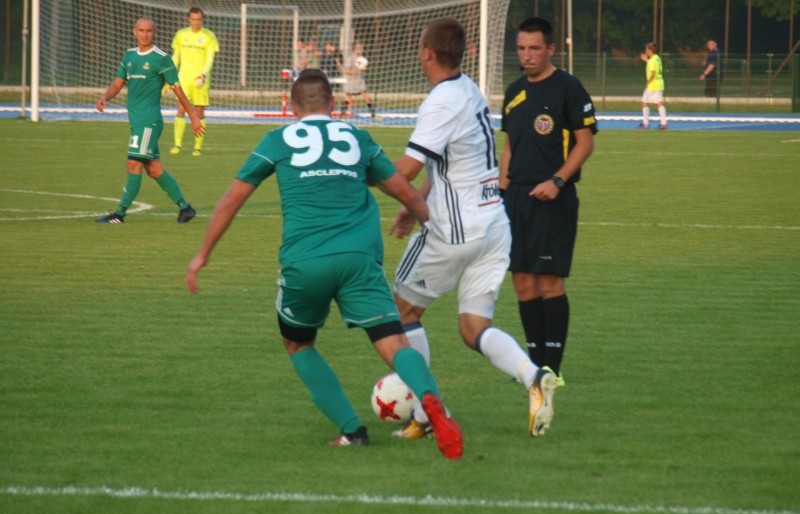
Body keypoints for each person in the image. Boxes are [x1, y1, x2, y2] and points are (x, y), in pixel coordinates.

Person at [185, 69, 463, 460]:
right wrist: (430, 225)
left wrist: (202, 255)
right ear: (333, 104)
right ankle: (431, 402)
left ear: (291, 107)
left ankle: (352, 431)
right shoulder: (357, 137)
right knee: (393, 341)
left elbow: (232, 199)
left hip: (306, 261)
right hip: (359, 259)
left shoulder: (277, 140)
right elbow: (406, 193)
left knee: (298, 342)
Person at [389, 17, 557, 440]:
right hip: (493, 225)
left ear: (427, 52)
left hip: (453, 230)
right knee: (472, 328)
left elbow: (406, 168)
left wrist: (350, 174)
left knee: (400, 314)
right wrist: (416, 201)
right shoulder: (468, 89)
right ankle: (533, 376)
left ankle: (428, 413)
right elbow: (451, 163)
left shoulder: (441, 100)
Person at [498, 17, 597, 388]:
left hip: (554, 199)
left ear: (550, 49)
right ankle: (533, 365)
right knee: (523, 282)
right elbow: (509, 148)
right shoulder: (514, 91)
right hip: (516, 199)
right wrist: (501, 194)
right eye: (521, 48)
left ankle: (552, 368)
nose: (527, 55)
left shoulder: (568, 87)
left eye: (534, 48)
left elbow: (585, 143)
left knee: (550, 283)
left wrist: (557, 181)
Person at [95, 17, 203, 224]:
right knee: (154, 169)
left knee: (133, 163)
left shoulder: (161, 59)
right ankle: (185, 208)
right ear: (134, 32)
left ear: (155, 33)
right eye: (141, 30)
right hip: (137, 122)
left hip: (148, 122)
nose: (145, 34)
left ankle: (119, 214)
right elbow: (118, 83)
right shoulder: (129, 56)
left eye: (149, 31)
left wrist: (193, 117)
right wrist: (105, 97)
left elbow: (178, 90)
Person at [170, 7, 219, 156]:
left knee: (199, 114)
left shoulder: (209, 36)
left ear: (202, 20)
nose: (196, 22)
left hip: (200, 80)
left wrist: (203, 75)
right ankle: (177, 145)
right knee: (181, 110)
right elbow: (176, 56)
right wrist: (169, 74)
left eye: (199, 19)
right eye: (193, 19)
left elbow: (210, 58)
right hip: (183, 78)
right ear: (189, 20)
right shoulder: (181, 35)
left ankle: (197, 147)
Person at [341, 42, 376, 118]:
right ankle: (343, 115)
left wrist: (364, 69)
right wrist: (355, 73)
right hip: (351, 82)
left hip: (360, 81)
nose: (361, 50)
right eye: (359, 48)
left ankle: (373, 114)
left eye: (361, 48)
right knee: (349, 100)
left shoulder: (362, 59)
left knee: (367, 97)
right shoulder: (350, 58)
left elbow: (362, 68)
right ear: (354, 49)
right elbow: (346, 70)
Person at [637, 42, 668, 130]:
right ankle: (664, 123)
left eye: (647, 49)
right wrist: (646, 60)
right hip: (659, 83)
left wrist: (648, 82)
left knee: (644, 101)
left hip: (653, 85)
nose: (646, 51)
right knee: (659, 102)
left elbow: (653, 73)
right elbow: (654, 66)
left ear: (650, 50)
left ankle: (645, 123)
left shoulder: (652, 60)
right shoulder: (657, 58)